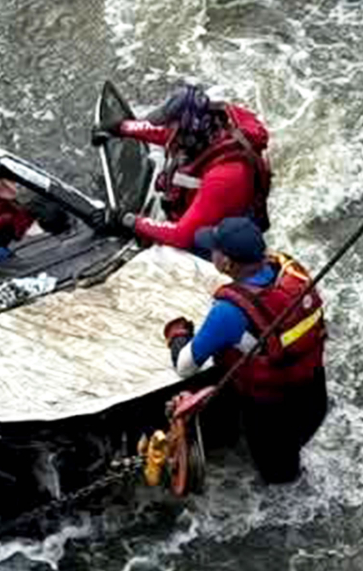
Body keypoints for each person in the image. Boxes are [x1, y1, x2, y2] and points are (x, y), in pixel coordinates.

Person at [163, 218, 327, 484]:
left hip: (272, 416)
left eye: (213, 249)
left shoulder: (229, 312)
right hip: (314, 397)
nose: (209, 251)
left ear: (226, 263)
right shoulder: (291, 274)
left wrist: (177, 335)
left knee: (280, 484)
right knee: (289, 460)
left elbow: (185, 367)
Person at [92, 84, 271, 249]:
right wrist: (121, 127)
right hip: (199, 214)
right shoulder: (208, 128)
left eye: (173, 127)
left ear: (189, 134)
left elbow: (183, 236)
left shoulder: (225, 176)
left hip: (219, 238)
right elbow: (164, 133)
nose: (168, 131)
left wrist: (127, 220)